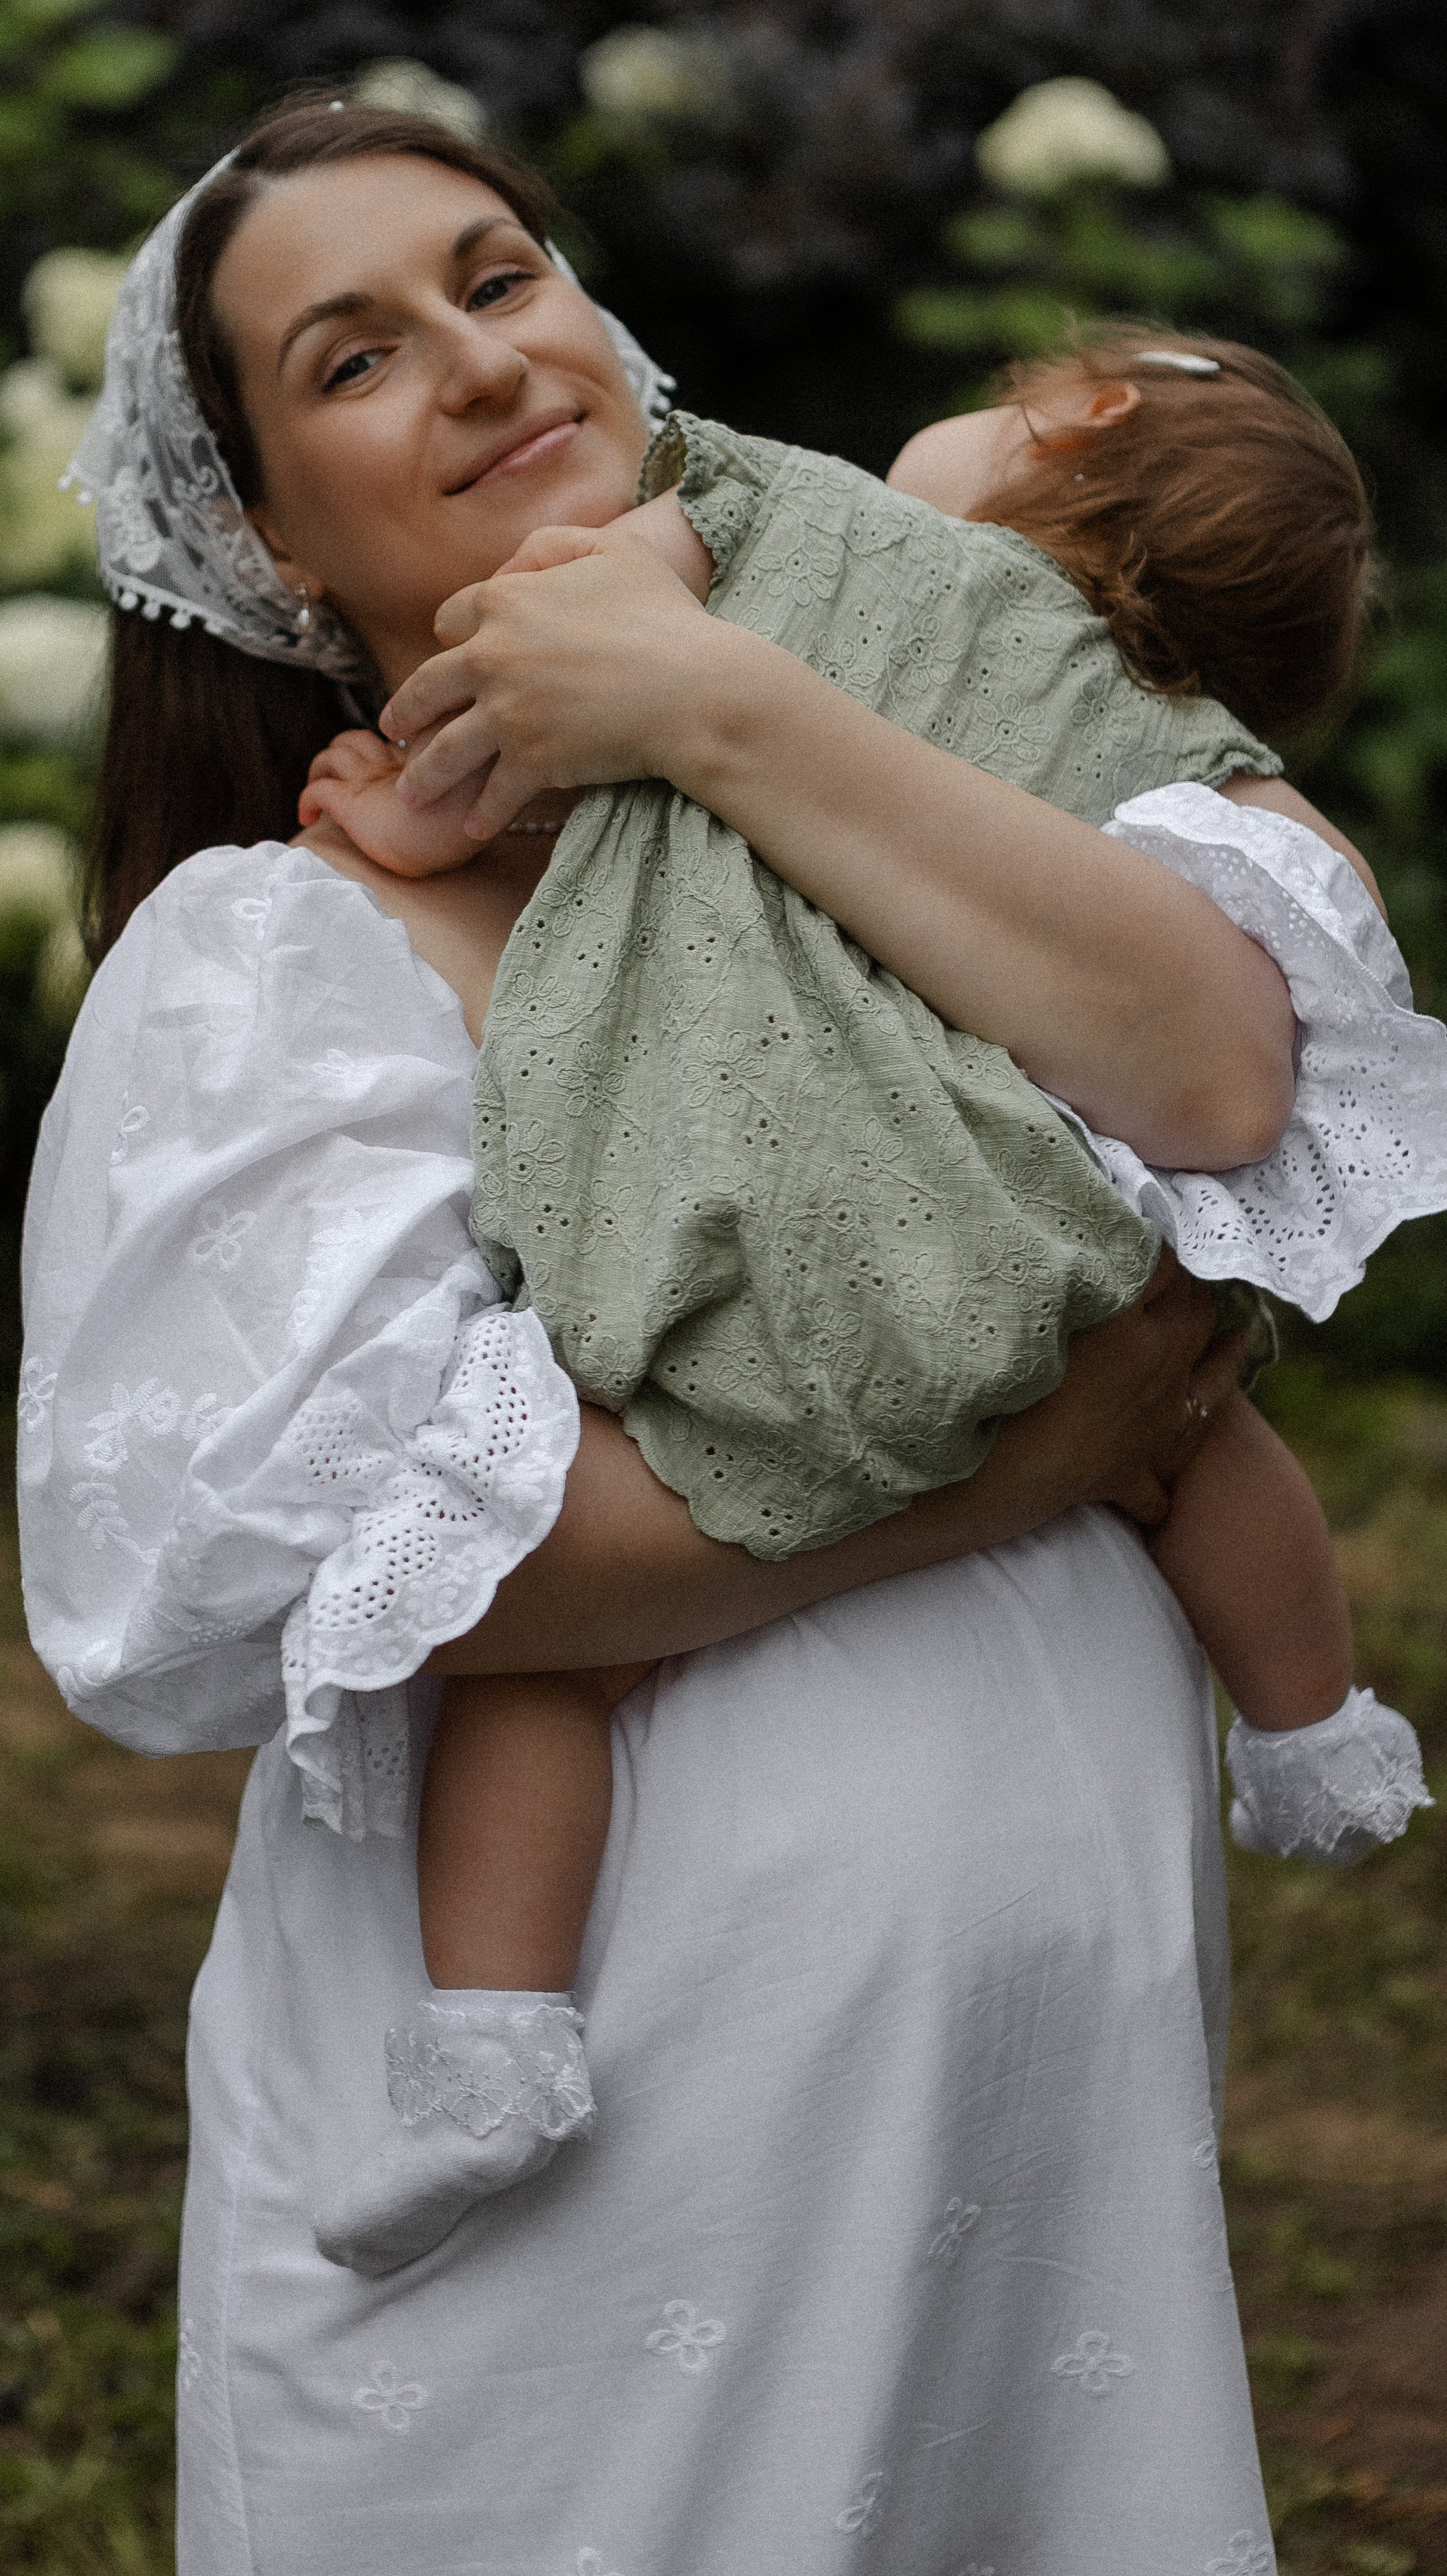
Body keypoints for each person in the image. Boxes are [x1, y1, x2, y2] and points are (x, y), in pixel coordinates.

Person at [17, 97, 1394, 2571]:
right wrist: (1026, 1461)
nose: (473, 359)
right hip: (622, 2151)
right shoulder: (282, 951)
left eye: (499, 275)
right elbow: (357, 1567)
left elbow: (1216, 1072)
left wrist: (709, 700)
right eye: (353, 356)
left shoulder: (909, 777)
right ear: (268, 536)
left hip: (1043, 2120)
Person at [297, 329, 1438, 2268]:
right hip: (1004, 1250)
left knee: (546, 1669)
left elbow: (571, 651)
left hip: (764, 1232)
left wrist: (416, 806)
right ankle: (1309, 1726)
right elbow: (1299, 934)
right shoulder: (1154, 737)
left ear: (1074, 411)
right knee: (1191, 1424)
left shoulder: (791, 526)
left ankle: (492, 2038)